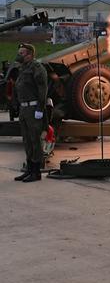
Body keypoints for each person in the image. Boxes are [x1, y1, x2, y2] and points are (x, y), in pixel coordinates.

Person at [13, 43, 48, 183]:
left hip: (34, 108)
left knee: (35, 140)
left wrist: (40, 109)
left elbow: (42, 90)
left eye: (22, 53)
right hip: (24, 109)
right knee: (27, 140)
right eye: (19, 53)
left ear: (30, 55)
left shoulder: (37, 68)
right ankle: (29, 169)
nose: (19, 56)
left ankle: (36, 172)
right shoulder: (23, 68)